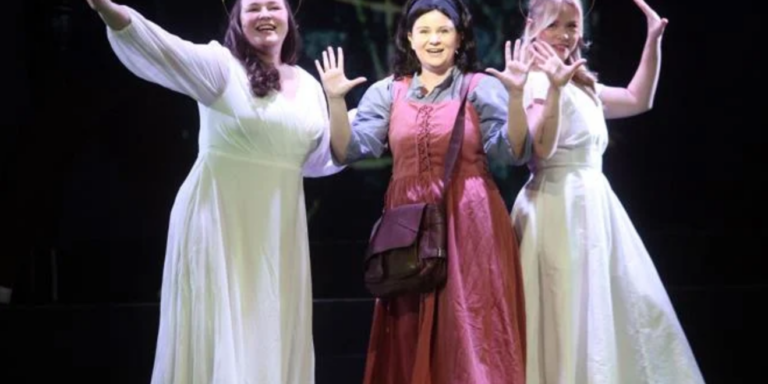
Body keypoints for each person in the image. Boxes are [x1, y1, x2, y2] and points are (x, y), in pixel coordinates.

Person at [85, 0, 343, 382]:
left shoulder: (307, 85)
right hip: (220, 223)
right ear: (238, 20)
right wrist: (107, 7)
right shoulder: (221, 66)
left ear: (290, 16)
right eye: (253, 8)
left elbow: (319, 158)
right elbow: (161, 47)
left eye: (274, 6)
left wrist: (351, 108)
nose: (265, 15)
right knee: (221, 330)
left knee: (272, 330)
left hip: (279, 234)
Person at [314, 0, 538, 381]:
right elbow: (348, 150)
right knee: (408, 327)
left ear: (459, 37)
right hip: (408, 228)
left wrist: (516, 97)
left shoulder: (479, 87)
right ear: (409, 39)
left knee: (470, 328)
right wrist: (335, 101)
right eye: (424, 31)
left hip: (471, 223)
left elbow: (513, 152)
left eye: (443, 31)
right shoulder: (388, 91)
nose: (434, 40)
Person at [510, 0, 706, 382]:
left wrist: (653, 41)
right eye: (554, 25)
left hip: (594, 205)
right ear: (533, 26)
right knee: (564, 307)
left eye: (572, 25)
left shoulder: (582, 83)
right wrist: (552, 87)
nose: (565, 35)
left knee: (612, 308)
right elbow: (537, 148)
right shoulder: (533, 80)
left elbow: (638, 99)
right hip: (557, 206)